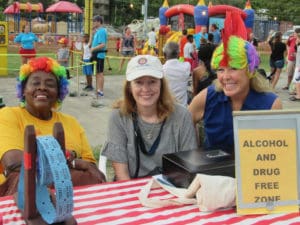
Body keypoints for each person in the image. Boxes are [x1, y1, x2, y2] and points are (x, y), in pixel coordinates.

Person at [0, 57, 106, 196]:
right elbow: (14, 163)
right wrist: (71, 159)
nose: (42, 87)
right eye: (35, 82)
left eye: (50, 84)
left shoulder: (71, 123)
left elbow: (91, 170)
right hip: (22, 200)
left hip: (74, 201)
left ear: (58, 93)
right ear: (24, 90)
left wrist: (39, 163)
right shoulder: (8, 115)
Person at [188, 12, 282, 154]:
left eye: (233, 69)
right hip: (212, 174)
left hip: (253, 173)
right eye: (220, 69)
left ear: (250, 70)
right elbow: (183, 124)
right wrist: (194, 152)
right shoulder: (209, 96)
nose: (225, 76)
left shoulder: (271, 105)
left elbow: (279, 150)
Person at [101, 55, 198, 180]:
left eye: (152, 81)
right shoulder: (118, 117)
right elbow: (122, 173)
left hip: (172, 188)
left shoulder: (182, 116)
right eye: (139, 82)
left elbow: (188, 166)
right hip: (131, 187)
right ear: (129, 87)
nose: (145, 89)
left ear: (161, 84)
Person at [163, 41, 191, 106]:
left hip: (166, 107)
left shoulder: (161, 70)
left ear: (164, 54)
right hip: (182, 107)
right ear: (178, 54)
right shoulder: (186, 66)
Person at [91, 15, 107, 101]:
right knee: (97, 73)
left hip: (99, 55)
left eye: (94, 21)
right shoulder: (98, 31)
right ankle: (98, 90)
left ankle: (101, 91)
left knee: (100, 73)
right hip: (96, 54)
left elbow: (102, 44)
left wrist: (93, 48)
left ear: (98, 21)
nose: (93, 23)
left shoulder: (101, 31)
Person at [289, 32, 300, 101]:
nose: (296, 39)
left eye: (298, 38)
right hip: (297, 65)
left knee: (297, 81)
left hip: (299, 66)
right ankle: (297, 93)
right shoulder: (298, 46)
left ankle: (298, 95)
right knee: (297, 81)